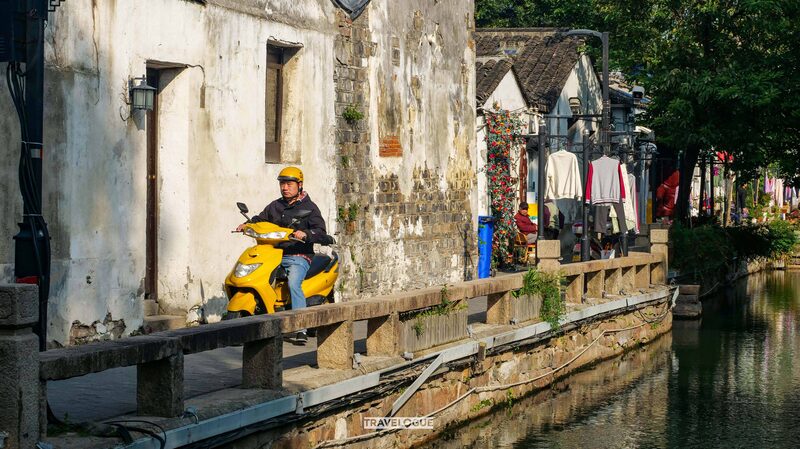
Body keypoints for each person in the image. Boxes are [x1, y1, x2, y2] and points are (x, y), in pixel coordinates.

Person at [235, 166, 326, 344]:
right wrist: (247, 225)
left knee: (293, 283)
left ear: (299, 185)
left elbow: (320, 231)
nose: (285, 187)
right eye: (282, 184)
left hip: (299, 255)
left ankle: (301, 327)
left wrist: (306, 234)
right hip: (274, 253)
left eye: (289, 184)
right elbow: (260, 219)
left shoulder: (310, 208)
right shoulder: (275, 205)